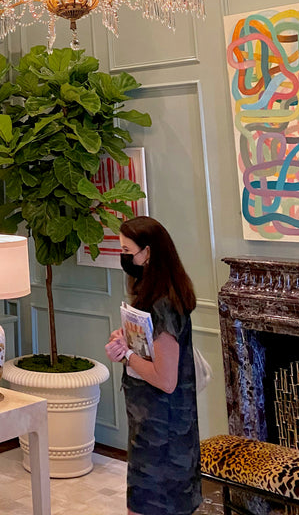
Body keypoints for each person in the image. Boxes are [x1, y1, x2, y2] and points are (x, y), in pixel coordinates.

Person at [105, 216, 202, 515]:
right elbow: (151, 350)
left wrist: (126, 356)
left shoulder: (163, 304)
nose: (123, 258)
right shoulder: (150, 293)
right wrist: (128, 340)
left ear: (147, 253)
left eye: (126, 251)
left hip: (164, 435)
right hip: (149, 426)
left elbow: (165, 379)